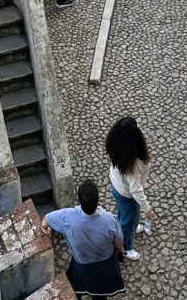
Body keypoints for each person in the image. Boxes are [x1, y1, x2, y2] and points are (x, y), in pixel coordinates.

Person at [41, 179, 124, 300]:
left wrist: (45, 229)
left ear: (79, 200)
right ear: (97, 200)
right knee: (101, 293)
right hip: (105, 264)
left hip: (82, 264)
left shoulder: (67, 217)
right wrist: (120, 249)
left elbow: (46, 220)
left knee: (76, 290)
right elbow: (119, 242)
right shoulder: (110, 220)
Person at [105, 116, 156, 261]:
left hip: (116, 186)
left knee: (124, 214)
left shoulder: (117, 149)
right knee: (130, 221)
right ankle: (126, 248)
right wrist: (147, 209)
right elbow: (136, 190)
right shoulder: (134, 164)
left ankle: (125, 226)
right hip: (128, 195)